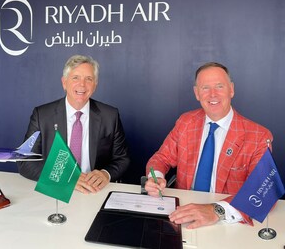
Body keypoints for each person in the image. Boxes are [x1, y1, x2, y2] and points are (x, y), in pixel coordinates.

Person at [145, 62, 273, 229]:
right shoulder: (186, 122)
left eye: (219, 86)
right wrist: (156, 177)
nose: (213, 94)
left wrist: (216, 210)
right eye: (205, 88)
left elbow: (263, 193)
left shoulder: (259, 136)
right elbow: (161, 158)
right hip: (181, 212)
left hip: (227, 221)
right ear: (197, 93)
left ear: (231, 90)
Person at [18, 54, 130, 194]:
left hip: (94, 191)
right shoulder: (42, 115)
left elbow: (122, 159)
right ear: (64, 82)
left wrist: (106, 174)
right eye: (75, 77)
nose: (82, 84)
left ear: (95, 85)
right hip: (56, 189)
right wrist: (65, 178)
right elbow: (25, 161)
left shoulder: (110, 115)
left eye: (88, 79)